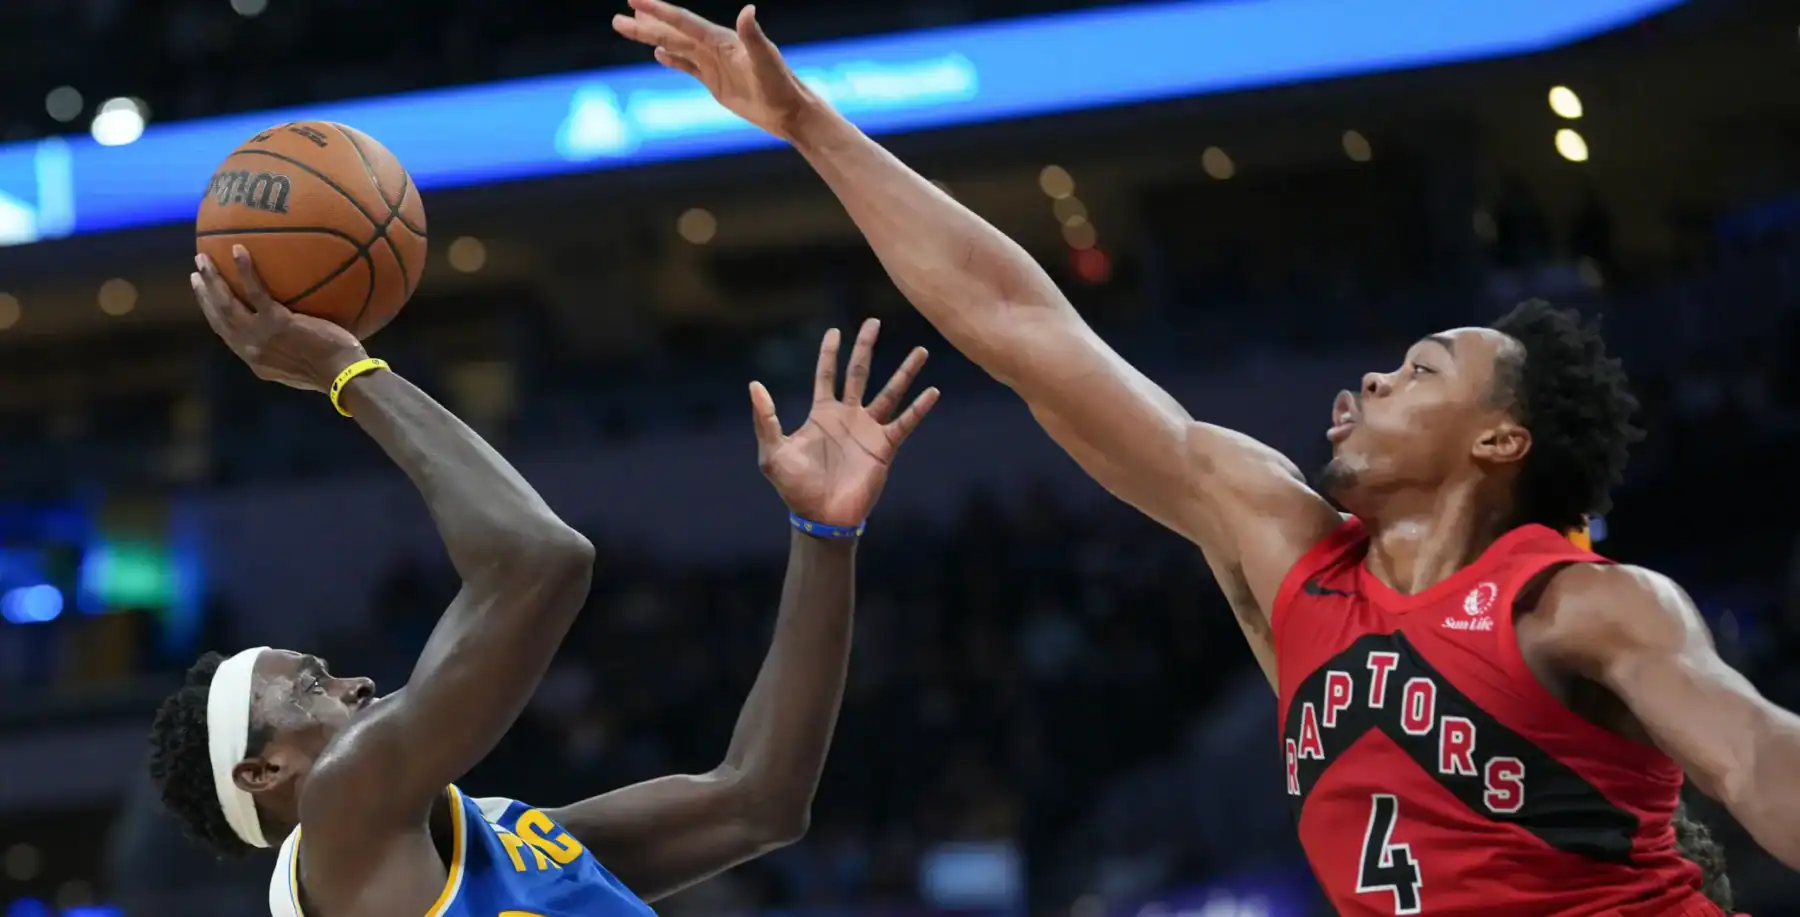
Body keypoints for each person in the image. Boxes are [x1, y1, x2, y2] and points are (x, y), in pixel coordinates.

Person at [612, 3, 1800, 913]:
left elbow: (1749, 751)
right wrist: (808, 124)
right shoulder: (1285, 549)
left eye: (1423, 369)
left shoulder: (1580, 601)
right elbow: (1027, 326)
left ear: (1500, 440)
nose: (1377, 377)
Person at [148, 246, 938, 917]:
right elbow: (539, 559)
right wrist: (343, 369)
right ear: (262, 772)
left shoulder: (491, 838)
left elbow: (759, 802)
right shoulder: (337, 814)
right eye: (311, 687)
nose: (355, 684)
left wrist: (824, 532)